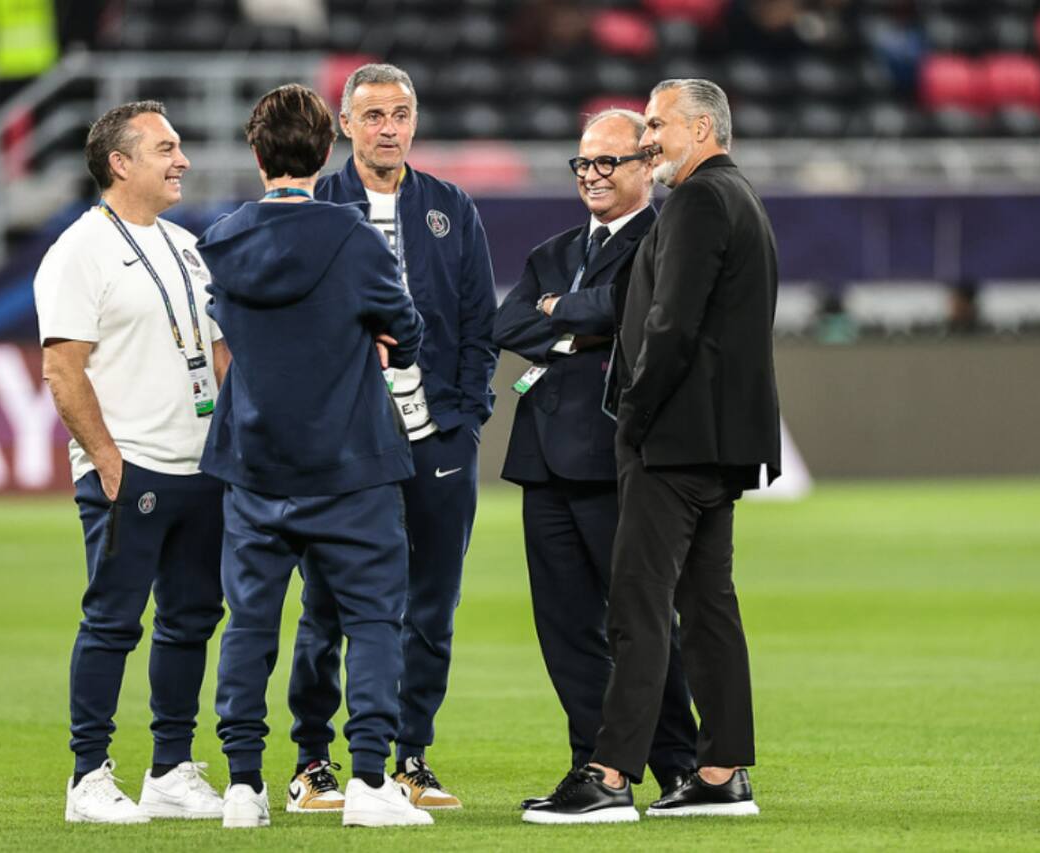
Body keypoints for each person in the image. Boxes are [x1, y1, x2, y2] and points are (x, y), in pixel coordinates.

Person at [525, 78, 781, 824]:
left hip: (672, 439)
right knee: (706, 605)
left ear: (701, 129)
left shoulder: (699, 200)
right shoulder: (742, 198)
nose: (646, 139)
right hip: (718, 439)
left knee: (637, 603)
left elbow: (670, 323)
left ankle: (607, 774)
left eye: (656, 124)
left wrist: (631, 412)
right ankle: (720, 771)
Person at [198, 83, 431, 830]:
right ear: (328, 148)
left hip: (256, 464)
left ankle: (242, 786)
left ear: (257, 154)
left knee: (249, 624)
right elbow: (406, 329)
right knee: (371, 621)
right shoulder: (354, 236)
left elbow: (229, 337)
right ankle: (367, 781)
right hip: (351, 463)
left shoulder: (223, 239)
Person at [286, 62, 498, 812]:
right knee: (327, 603)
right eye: (373, 115)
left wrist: (464, 417)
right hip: (345, 442)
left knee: (433, 604)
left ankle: (410, 755)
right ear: (345, 124)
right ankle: (313, 758)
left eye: (401, 113)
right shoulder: (316, 207)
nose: (389, 128)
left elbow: (480, 322)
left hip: (436, 435)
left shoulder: (449, 207)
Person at [492, 109, 698, 811]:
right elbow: (508, 321)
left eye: (608, 162)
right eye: (583, 163)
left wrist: (570, 313)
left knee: (640, 621)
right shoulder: (550, 250)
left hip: (618, 458)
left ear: (646, 166)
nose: (593, 175)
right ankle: (594, 764)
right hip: (542, 459)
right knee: (564, 628)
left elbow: (627, 308)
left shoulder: (663, 239)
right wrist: (576, 326)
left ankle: (678, 760)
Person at [35, 100, 228, 824]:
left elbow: (213, 348)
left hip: (200, 466)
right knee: (114, 619)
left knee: (191, 617)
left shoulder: (185, 244)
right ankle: (87, 777)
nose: (181, 159)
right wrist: (106, 456)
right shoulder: (78, 251)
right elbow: (63, 366)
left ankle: (171, 769)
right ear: (120, 163)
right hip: (132, 465)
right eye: (165, 147)